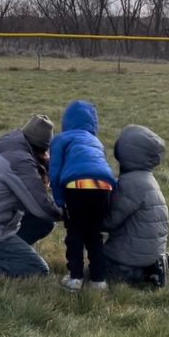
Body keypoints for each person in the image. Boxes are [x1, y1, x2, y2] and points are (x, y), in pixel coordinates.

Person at [0, 114, 62, 280]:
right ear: (42, 149)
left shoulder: (12, 151)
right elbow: (42, 206)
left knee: (44, 223)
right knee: (38, 270)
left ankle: (8, 255)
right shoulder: (19, 161)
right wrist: (70, 212)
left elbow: (36, 208)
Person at [49, 101, 116, 292]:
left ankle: (75, 277)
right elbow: (103, 166)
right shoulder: (96, 141)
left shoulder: (61, 139)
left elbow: (54, 173)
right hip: (104, 187)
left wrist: (60, 200)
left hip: (76, 186)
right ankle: (98, 280)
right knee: (95, 235)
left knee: (76, 233)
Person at [103, 124, 169, 287]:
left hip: (126, 261)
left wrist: (85, 218)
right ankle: (151, 271)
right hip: (151, 254)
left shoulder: (131, 184)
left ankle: (135, 274)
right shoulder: (147, 179)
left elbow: (110, 222)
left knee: (93, 269)